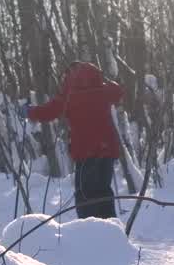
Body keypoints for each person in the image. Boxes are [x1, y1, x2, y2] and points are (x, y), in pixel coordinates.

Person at [21, 61, 125, 220]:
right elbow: (118, 92)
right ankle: (111, 231)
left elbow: (47, 112)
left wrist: (28, 112)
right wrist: (108, 83)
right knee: (104, 192)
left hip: (86, 154)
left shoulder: (70, 96)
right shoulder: (103, 91)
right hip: (107, 151)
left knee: (85, 196)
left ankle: (86, 232)